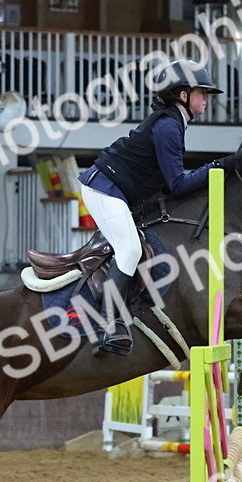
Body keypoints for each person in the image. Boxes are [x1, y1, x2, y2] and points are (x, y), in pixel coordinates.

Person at [78, 59, 223, 356]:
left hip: (118, 191)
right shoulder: (169, 127)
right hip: (103, 189)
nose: (206, 98)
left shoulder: (172, 123)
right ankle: (107, 325)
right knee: (130, 249)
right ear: (183, 95)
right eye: (202, 92)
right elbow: (178, 185)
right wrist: (215, 168)